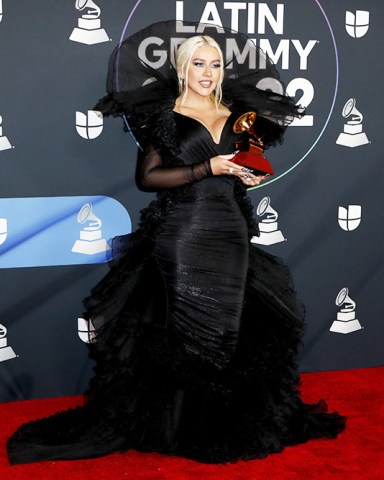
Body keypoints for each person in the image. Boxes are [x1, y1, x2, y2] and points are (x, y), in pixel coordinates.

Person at [7, 21, 346, 465]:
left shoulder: (242, 116)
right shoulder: (162, 116)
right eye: (199, 64)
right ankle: (174, 426)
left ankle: (215, 425)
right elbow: (147, 179)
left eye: (216, 65)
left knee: (229, 328)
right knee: (186, 329)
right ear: (183, 69)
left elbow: (256, 167)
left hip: (232, 233)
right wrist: (210, 168)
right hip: (184, 234)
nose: (208, 72)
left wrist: (247, 171)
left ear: (224, 71)